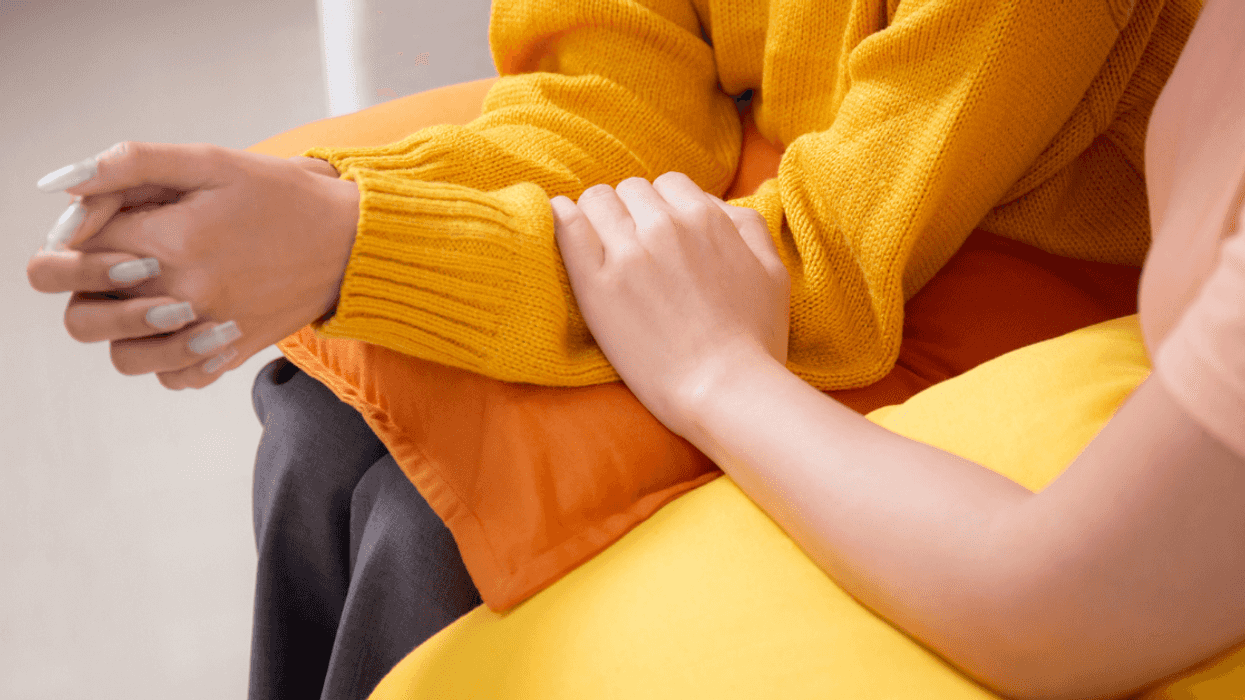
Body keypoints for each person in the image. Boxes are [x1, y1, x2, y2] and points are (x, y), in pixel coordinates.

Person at [24, 0, 1205, 697]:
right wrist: (325, 223)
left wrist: (352, 243)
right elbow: (616, 98)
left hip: (961, 274)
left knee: (433, 526)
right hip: (772, 188)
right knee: (328, 413)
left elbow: (839, 270)